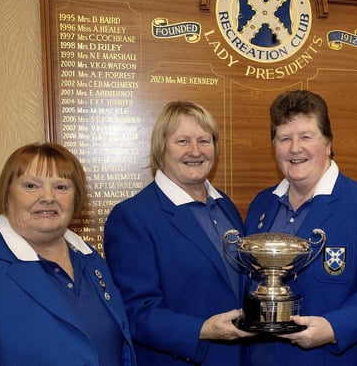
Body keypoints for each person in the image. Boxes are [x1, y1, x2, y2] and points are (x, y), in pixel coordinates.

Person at [0, 142, 136, 366]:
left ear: (75, 199)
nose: (48, 197)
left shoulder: (91, 260)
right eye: (31, 186)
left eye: (61, 187)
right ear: (7, 194)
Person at [244, 90, 357, 365]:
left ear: (328, 143)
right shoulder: (261, 205)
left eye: (306, 136)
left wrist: (333, 328)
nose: (295, 148)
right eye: (284, 138)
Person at [104, 101, 253, 365]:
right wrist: (203, 330)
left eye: (204, 141)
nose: (195, 151)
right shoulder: (133, 217)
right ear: (161, 149)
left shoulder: (225, 206)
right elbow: (135, 312)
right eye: (182, 141)